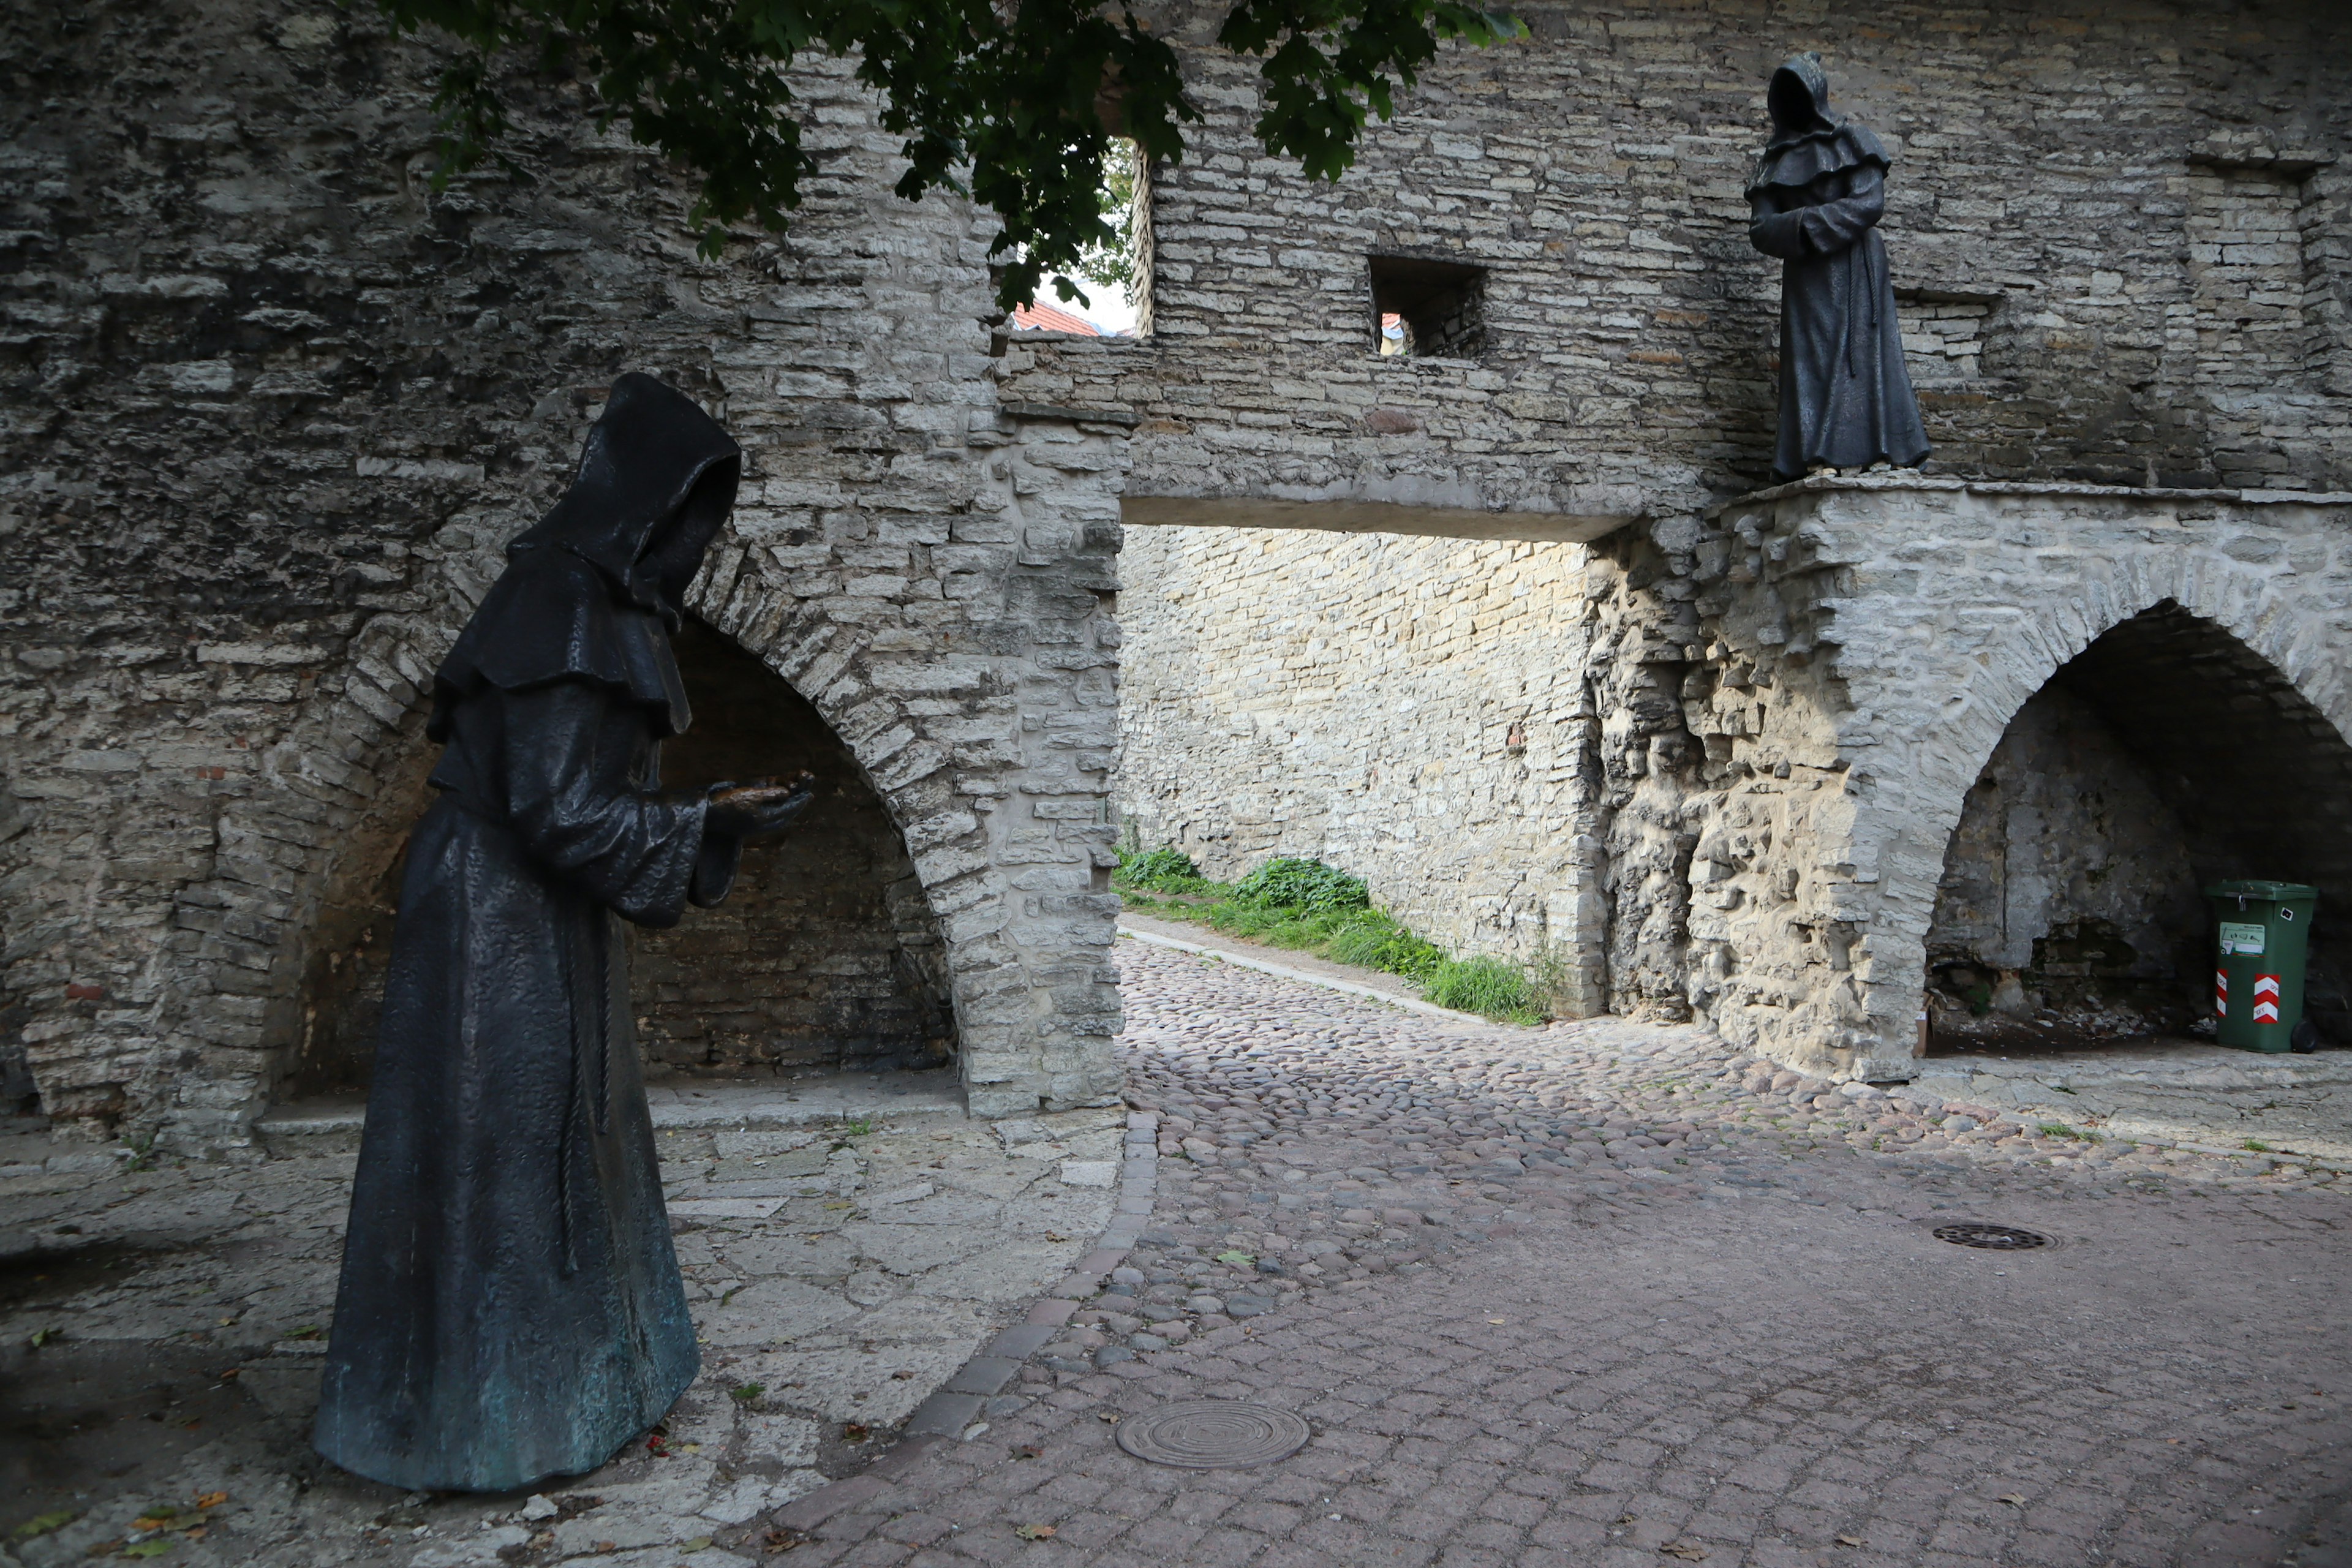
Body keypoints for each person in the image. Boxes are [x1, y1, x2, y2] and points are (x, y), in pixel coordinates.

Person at [314, 374, 812, 1492]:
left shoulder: (606, 609)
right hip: (495, 912)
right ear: (639, 499)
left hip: (540, 905)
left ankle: (587, 1382)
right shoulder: (555, 600)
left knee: (567, 1142)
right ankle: (484, 1416)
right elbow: (554, 810)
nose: (696, 538)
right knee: (503, 1148)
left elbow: (574, 803)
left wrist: (701, 816)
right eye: (687, 511)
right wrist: (706, 819)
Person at [1746, 52, 1931, 481]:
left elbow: (1869, 202)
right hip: (1806, 277)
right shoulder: (1773, 162)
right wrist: (1803, 227)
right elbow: (1761, 228)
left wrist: (1810, 221)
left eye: (1801, 92)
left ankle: (1881, 448)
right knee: (1809, 364)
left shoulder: (1851, 139)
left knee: (1864, 359)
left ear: (1817, 93)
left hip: (1855, 265)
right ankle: (1812, 453)